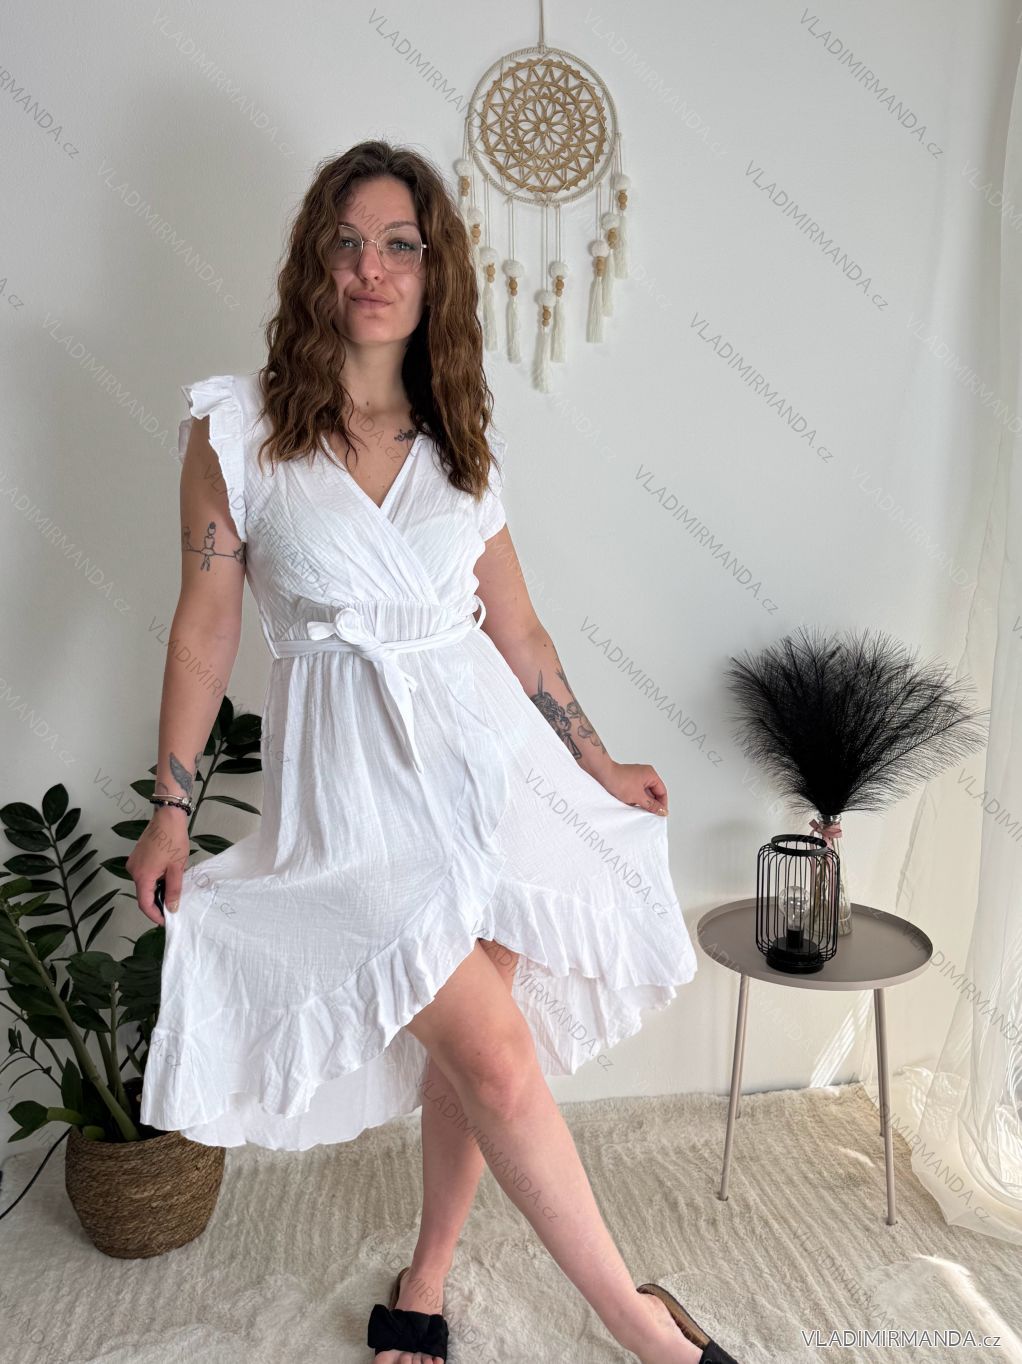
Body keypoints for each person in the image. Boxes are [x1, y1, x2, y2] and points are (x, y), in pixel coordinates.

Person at [128, 141, 737, 1364]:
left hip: (485, 768)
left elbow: (516, 631)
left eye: (398, 244)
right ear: (314, 264)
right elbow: (206, 627)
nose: (371, 267)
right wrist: (172, 808)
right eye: (347, 242)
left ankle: (430, 1271)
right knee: (496, 1055)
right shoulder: (239, 429)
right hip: (352, 796)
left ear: (432, 269)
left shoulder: (460, 442)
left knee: (476, 1048)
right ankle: (643, 1326)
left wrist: (594, 764)